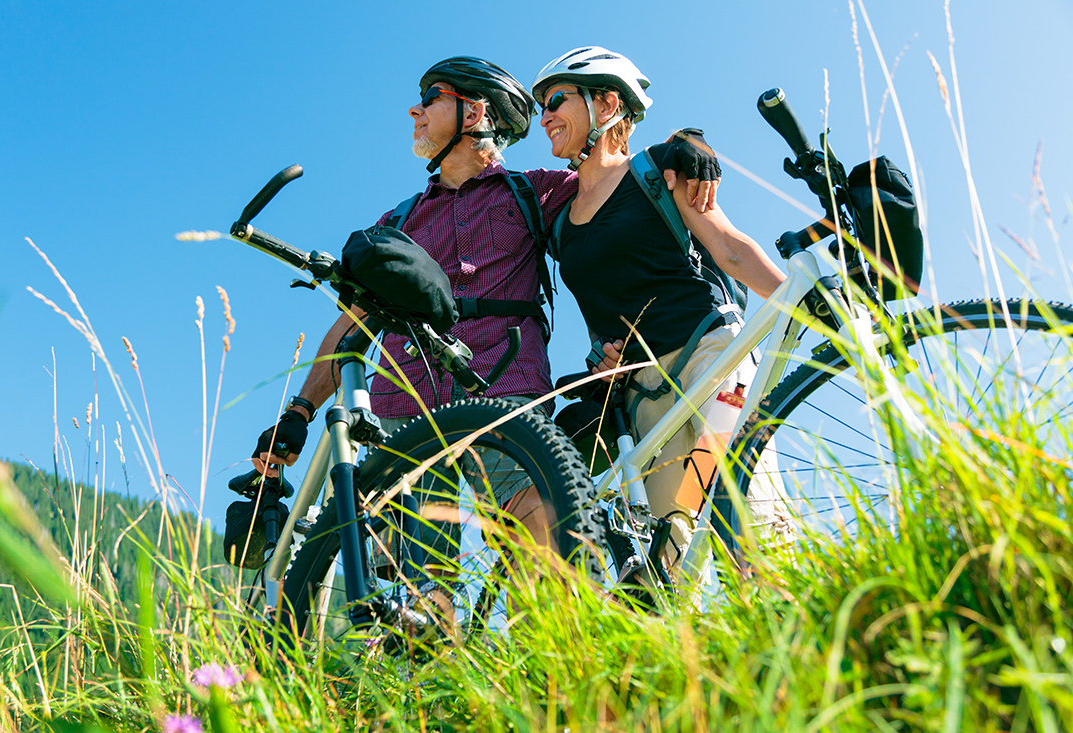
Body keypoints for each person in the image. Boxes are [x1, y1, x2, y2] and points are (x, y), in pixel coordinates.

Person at [249, 56, 720, 578]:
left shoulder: (537, 191)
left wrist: (687, 144)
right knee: (415, 585)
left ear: (473, 112)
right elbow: (351, 327)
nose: (415, 110)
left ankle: (571, 653)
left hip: (503, 389)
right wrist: (298, 412)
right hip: (403, 407)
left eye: (431, 98)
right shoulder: (398, 222)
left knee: (543, 537)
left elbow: (615, 180)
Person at [531, 46, 797, 568]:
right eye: (542, 104)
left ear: (607, 104)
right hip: (644, 396)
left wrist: (801, 300)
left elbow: (729, 248)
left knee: (747, 512)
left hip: (712, 357)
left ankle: (796, 628)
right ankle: (698, 652)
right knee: (673, 557)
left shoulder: (658, 172)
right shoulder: (559, 225)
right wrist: (601, 365)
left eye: (557, 98)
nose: (545, 116)